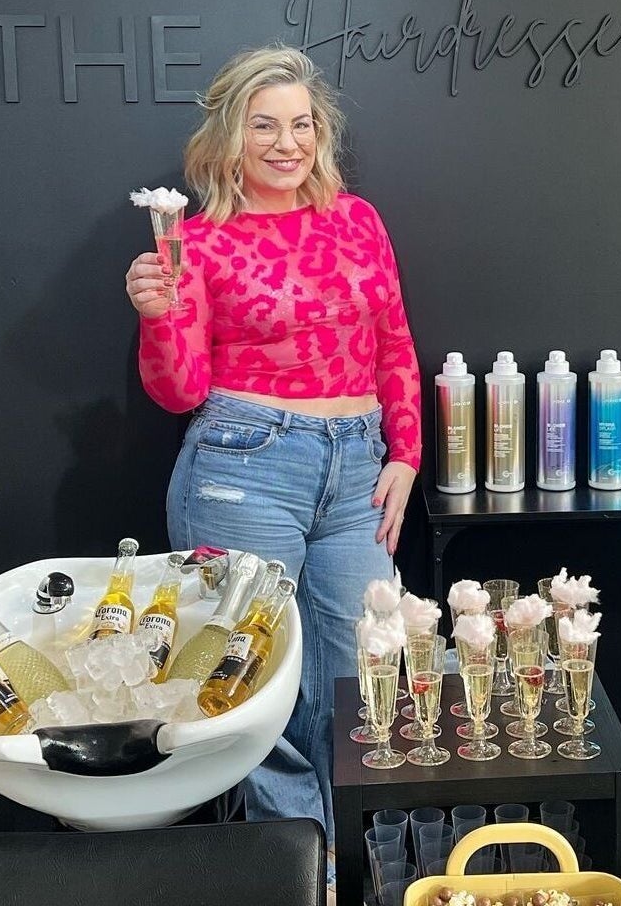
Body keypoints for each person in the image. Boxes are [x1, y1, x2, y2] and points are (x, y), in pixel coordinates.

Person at [125, 44, 421, 847]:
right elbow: (180, 390)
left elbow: (394, 340)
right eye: (265, 126)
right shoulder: (199, 241)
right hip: (243, 466)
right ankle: (303, 873)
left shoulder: (357, 220)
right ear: (230, 137)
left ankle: (372, 869)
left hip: (356, 461)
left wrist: (404, 454)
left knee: (364, 679)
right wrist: (157, 315)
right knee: (264, 687)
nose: (286, 143)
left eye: (301, 124)